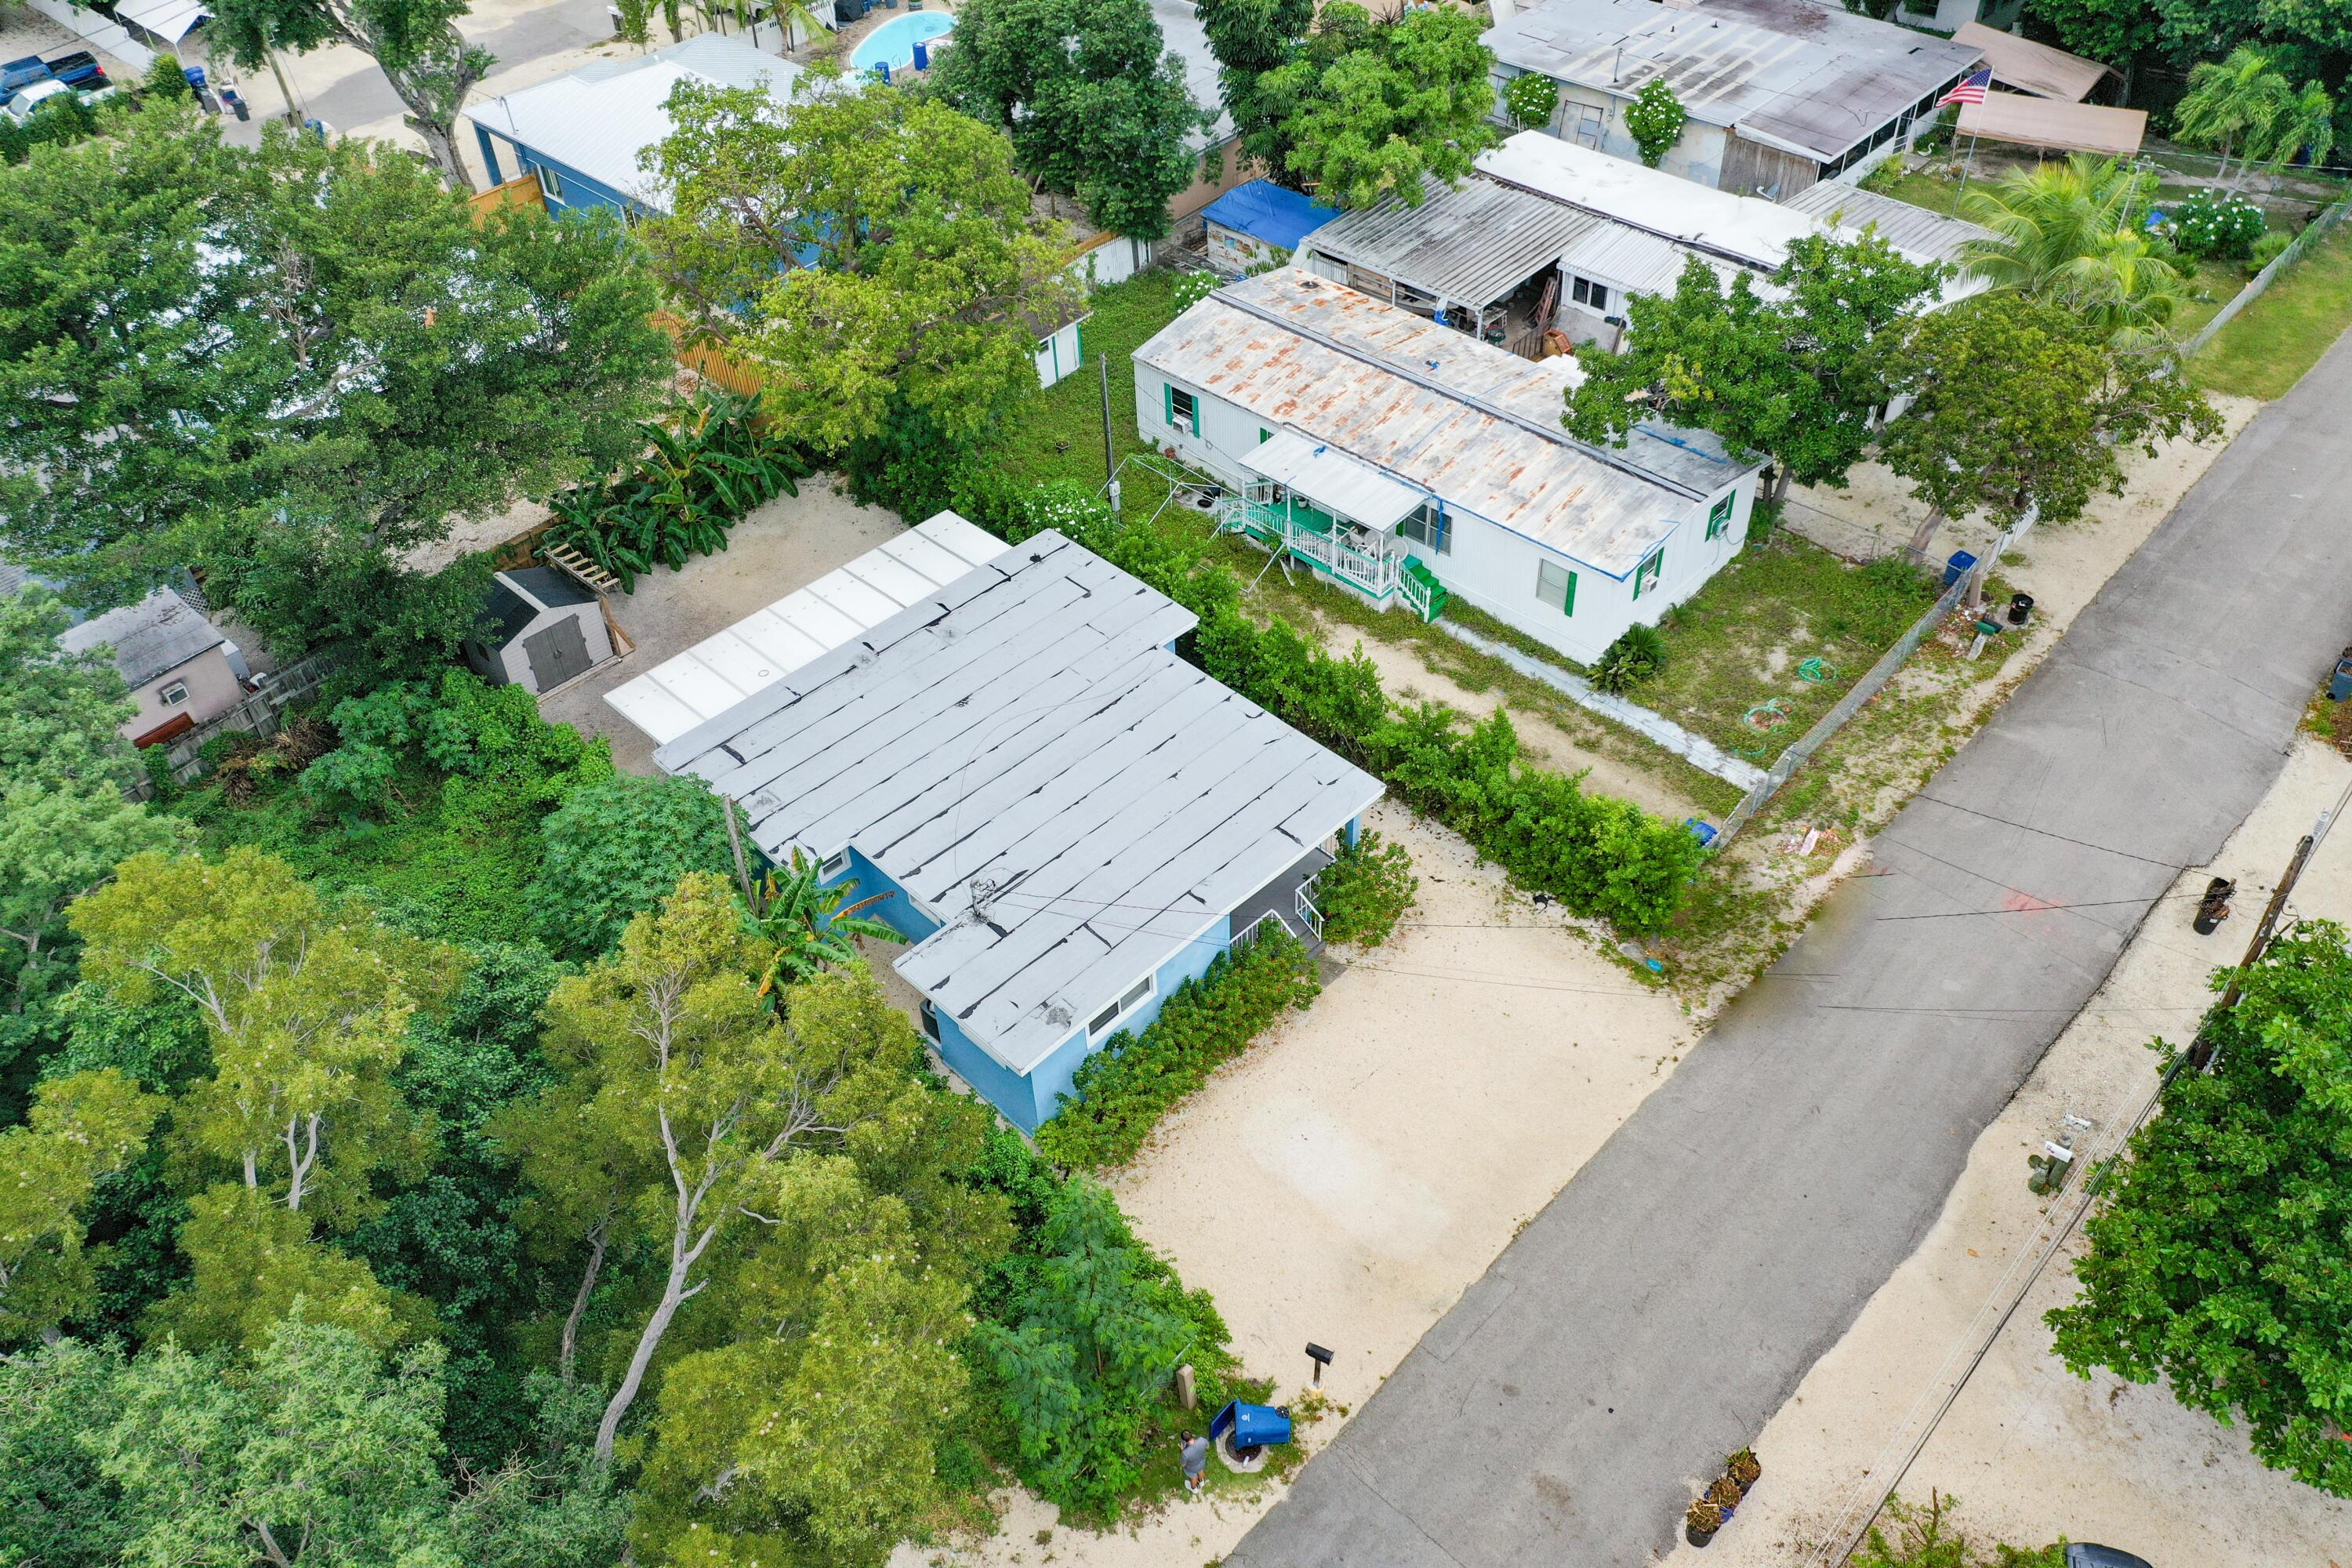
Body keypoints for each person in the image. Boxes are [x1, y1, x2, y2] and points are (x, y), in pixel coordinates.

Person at [1179, 1429, 1210, 1495]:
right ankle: (1201, 1482)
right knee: (1200, 1471)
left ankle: (1194, 1489)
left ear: (1184, 1441)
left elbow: (1183, 1465)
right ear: (1192, 1435)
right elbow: (1207, 1446)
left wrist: (1182, 1450)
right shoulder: (1202, 1440)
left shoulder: (1185, 1453)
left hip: (1192, 1468)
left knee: (1193, 1477)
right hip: (1201, 1463)